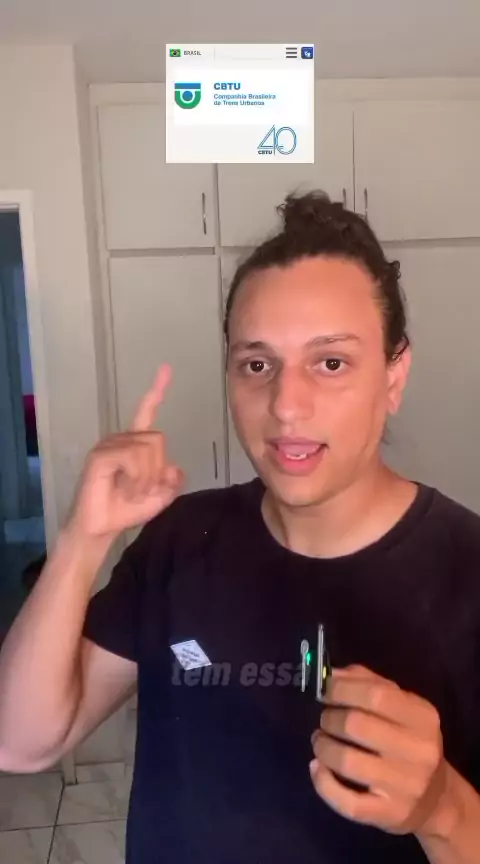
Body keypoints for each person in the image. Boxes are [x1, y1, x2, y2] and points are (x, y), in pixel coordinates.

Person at [0, 191, 479, 864]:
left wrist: (444, 809)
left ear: (393, 376)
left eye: (331, 362)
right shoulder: (179, 540)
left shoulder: (468, 571)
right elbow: (21, 743)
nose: (286, 405)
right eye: (258, 364)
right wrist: (83, 538)